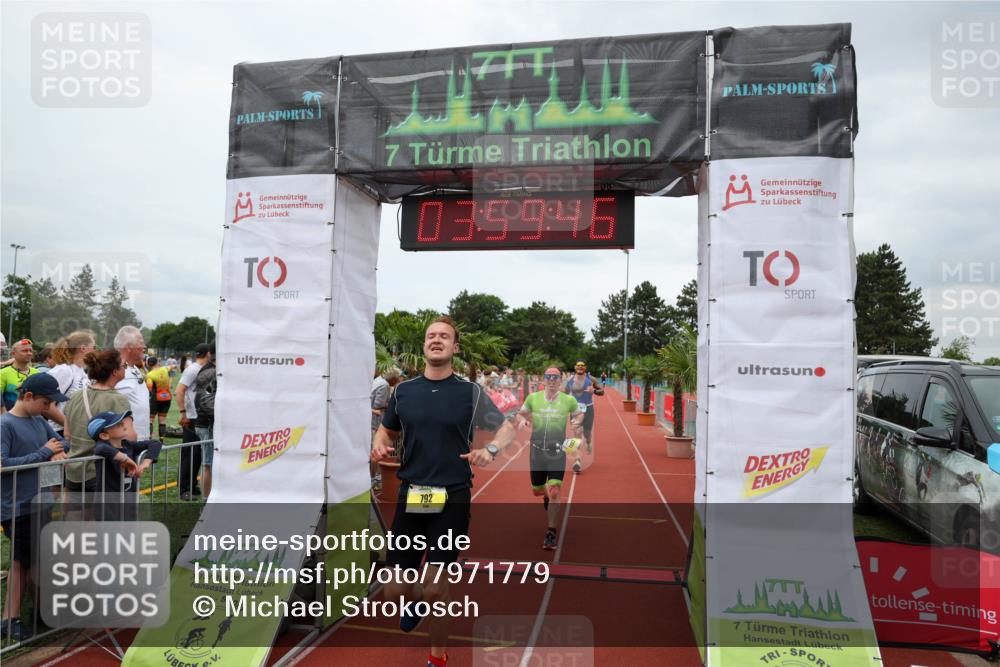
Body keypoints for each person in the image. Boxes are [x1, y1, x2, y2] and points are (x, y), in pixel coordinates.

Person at [370, 317, 518, 667]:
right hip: (412, 494)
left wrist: (491, 451)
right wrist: (379, 445)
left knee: (436, 586)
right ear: (424, 345)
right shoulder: (403, 391)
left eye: (444, 336)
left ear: (455, 347)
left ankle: (438, 658)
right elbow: (387, 432)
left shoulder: (471, 392)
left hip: (452, 495)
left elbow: (507, 428)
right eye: (431, 336)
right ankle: (416, 603)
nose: (436, 340)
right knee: (394, 590)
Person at [0, 374, 69, 642]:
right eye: (45, 402)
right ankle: (13, 618)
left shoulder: (39, 420)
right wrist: (44, 452)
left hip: (38, 502)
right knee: (25, 562)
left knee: (30, 560)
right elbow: (3, 464)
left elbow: (61, 442)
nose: (49, 408)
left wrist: (56, 450)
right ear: (28, 397)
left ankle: (34, 613)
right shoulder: (5, 424)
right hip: (17, 506)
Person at [518, 366, 585, 550]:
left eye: (555, 377)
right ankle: (546, 496)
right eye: (549, 376)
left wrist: (576, 421)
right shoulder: (533, 398)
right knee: (537, 490)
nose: (552, 380)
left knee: (555, 489)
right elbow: (520, 413)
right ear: (543, 379)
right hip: (536, 451)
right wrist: (522, 420)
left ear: (560, 379)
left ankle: (551, 532)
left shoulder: (568, 400)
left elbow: (579, 414)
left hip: (557, 451)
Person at [63, 349, 133, 500]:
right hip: (101, 471)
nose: (125, 368)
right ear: (115, 372)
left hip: (74, 469)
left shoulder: (75, 395)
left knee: (73, 518)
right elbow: (130, 437)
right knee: (99, 520)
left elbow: (67, 434)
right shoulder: (118, 400)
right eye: (124, 365)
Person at [88, 410, 161, 517]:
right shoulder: (103, 447)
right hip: (108, 504)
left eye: (122, 422)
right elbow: (100, 448)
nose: (124, 425)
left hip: (128, 500)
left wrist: (146, 462)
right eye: (118, 424)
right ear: (104, 436)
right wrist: (125, 459)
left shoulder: (128, 445)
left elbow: (155, 443)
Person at [175, 344, 211, 500]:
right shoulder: (193, 369)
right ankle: (184, 489)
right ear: (208, 354)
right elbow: (180, 390)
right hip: (192, 416)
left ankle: (192, 485)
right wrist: (183, 413)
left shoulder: (202, 368)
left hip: (200, 416)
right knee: (189, 454)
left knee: (197, 455)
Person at [47, 330, 97, 434]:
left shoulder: (81, 372)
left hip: (76, 432)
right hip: (60, 432)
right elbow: (47, 406)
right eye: (94, 347)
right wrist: (69, 427)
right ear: (83, 348)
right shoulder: (65, 370)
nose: (95, 351)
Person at [564, 360, 603, 474]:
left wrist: (594, 390)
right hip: (575, 410)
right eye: (578, 365)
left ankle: (589, 443)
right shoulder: (569, 380)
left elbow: (602, 392)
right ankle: (577, 461)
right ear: (575, 367)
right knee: (577, 433)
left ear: (585, 367)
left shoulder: (592, 379)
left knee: (587, 433)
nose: (580, 367)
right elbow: (564, 394)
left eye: (582, 366)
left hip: (588, 409)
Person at [113, 326, 150, 440]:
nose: (144, 347)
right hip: (124, 442)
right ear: (129, 346)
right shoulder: (113, 370)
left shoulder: (134, 368)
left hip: (141, 438)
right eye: (141, 343)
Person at [193, 343, 217, 498]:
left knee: (210, 463)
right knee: (208, 464)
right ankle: (206, 502)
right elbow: (207, 402)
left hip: (206, 422)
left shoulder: (210, 369)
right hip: (207, 423)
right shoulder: (211, 372)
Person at [0, 339, 39, 413]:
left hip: (32, 418)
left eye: (30, 351)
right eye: (24, 351)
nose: (29, 353)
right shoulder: (3, 373)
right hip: (10, 419)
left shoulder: (37, 373)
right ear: (13, 353)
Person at [144, 356, 173, 439]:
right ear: (157, 363)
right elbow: (171, 367)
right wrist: (174, 367)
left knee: (151, 420)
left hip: (155, 399)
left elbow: (149, 387)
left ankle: (149, 440)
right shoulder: (164, 369)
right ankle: (162, 442)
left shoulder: (149, 375)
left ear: (148, 365)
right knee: (162, 420)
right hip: (167, 398)